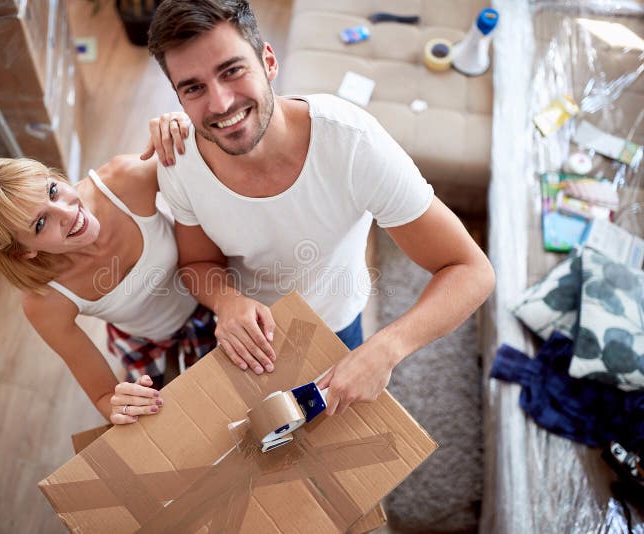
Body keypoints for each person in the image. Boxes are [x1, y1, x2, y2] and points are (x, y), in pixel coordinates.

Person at [142, 0, 496, 416]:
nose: (219, 103)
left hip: (334, 321)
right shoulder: (179, 159)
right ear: (179, 98)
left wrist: (387, 349)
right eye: (194, 88)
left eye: (232, 70)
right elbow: (199, 263)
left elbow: (472, 271)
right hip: (247, 331)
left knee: (328, 437)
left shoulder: (353, 144)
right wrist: (226, 302)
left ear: (268, 61)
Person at [0, 147, 215, 425]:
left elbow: (210, 165)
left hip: (213, 290)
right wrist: (120, 407)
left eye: (52, 191)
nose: (67, 213)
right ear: (24, 251)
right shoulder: (45, 301)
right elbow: (105, 396)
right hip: (143, 337)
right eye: (41, 223)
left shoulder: (126, 179)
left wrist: (181, 129)